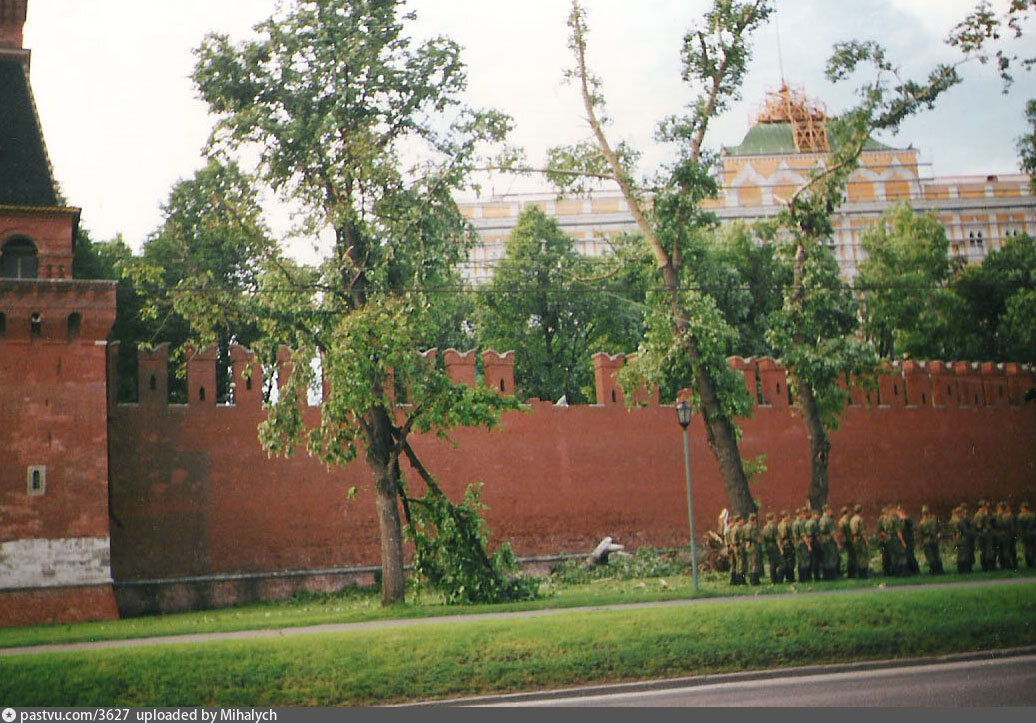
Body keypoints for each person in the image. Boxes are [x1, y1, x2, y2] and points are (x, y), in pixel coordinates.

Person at [917, 505, 943, 574]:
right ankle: (940, 570)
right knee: (936, 555)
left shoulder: (922, 522)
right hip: (935, 540)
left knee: (930, 556)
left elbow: (920, 534)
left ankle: (933, 570)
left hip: (927, 541)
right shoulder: (935, 519)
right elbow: (939, 528)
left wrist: (920, 544)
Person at [951, 503, 975, 574]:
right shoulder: (960, 521)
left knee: (962, 555)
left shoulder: (956, 520)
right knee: (964, 556)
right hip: (963, 540)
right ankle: (965, 570)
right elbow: (965, 531)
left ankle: (962, 569)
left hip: (960, 540)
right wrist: (971, 533)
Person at [741, 512, 763, 585]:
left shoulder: (744, 527)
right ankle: (754, 580)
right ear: (754, 520)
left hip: (747, 545)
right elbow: (755, 537)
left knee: (749, 562)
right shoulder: (753, 527)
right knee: (754, 563)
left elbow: (742, 537)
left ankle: (750, 578)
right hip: (753, 545)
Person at [819, 505, 840, 580]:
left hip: (823, 540)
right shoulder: (829, 520)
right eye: (830, 509)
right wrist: (838, 543)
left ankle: (825, 575)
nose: (831, 511)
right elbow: (833, 533)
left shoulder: (821, 519)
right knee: (831, 557)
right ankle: (831, 576)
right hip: (829, 540)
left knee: (825, 558)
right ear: (827, 510)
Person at [974, 500, 994, 571]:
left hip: (985, 535)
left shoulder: (984, 514)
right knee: (987, 551)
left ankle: (987, 566)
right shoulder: (980, 514)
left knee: (986, 551)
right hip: (984, 535)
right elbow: (979, 526)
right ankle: (987, 567)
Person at [762, 512, 782, 584]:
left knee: (771, 563)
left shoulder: (765, 527)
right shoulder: (774, 526)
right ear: (772, 518)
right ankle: (778, 579)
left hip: (768, 546)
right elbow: (777, 539)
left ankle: (773, 579)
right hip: (774, 546)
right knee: (779, 563)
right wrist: (781, 549)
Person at [849, 504, 869, 578]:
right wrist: (866, 541)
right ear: (861, 511)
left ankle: (856, 572)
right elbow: (863, 531)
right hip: (860, 539)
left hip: (854, 539)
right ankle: (863, 573)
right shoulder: (860, 519)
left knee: (857, 556)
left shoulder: (852, 519)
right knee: (863, 556)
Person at [900, 505, 920, 575]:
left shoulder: (908, 520)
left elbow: (914, 528)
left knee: (910, 555)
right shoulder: (901, 521)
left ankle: (915, 570)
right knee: (906, 555)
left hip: (909, 540)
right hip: (904, 540)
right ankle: (911, 570)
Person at [793, 508, 812, 583]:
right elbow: (803, 535)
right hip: (801, 543)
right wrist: (808, 545)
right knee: (804, 560)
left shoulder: (794, 523)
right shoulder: (800, 523)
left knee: (799, 560)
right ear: (800, 514)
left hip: (796, 543)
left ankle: (800, 577)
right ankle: (804, 578)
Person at [778, 509, 796, 583]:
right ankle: (790, 578)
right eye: (788, 516)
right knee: (790, 562)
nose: (789, 517)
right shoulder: (786, 525)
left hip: (784, 544)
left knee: (785, 562)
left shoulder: (779, 525)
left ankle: (782, 578)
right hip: (787, 544)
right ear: (785, 516)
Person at [805, 507, 822, 582]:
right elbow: (817, 534)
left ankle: (809, 575)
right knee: (816, 560)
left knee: (811, 559)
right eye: (817, 515)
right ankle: (816, 576)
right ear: (814, 515)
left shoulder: (807, 522)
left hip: (809, 541)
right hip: (814, 541)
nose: (818, 517)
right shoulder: (814, 523)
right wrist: (820, 543)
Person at [725, 514, 743, 585]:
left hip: (730, 547)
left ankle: (733, 579)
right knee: (737, 563)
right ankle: (738, 579)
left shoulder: (728, 530)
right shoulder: (731, 530)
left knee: (733, 564)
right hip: (734, 547)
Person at [838, 505, 855, 578]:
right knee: (850, 556)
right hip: (848, 540)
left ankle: (849, 572)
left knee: (849, 556)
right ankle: (850, 573)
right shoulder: (845, 521)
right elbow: (845, 531)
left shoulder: (841, 521)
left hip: (846, 539)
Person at [1018, 502, 1035, 569]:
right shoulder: (1033, 515)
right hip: (1033, 534)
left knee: (1027, 549)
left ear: (1023, 508)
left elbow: (1020, 527)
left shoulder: (1021, 516)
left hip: (1026, 534)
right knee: (1032, 549)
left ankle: (1029, 563)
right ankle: (1032, 562)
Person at [877, 506, 892, 576]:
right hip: (883, 540)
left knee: (888, 555)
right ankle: (886, 571)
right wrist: (886, 536)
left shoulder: (886, 519)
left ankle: (889, 570)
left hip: (887, 539)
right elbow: (880, 530)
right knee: (885, 555)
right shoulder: (881, 519)